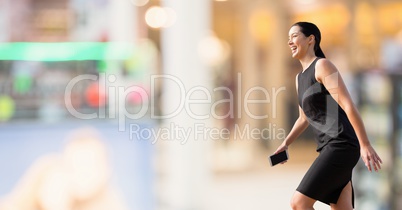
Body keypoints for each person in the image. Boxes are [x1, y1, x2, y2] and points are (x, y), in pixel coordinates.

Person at [274, 22, 383, 210]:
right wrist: (286, 143)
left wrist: (365, 144)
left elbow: (348, 105)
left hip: (341, 144)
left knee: (298, 203)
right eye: (288, 38)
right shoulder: (299, 79)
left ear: (310, 39)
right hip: (327, 147)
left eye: (294, 36)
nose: (289, 41)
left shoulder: (322, 66)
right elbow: (304, 118)